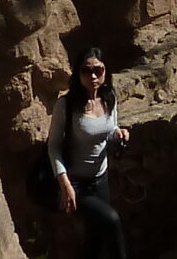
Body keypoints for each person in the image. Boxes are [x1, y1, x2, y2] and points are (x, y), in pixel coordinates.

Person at [47, 47, 133, 259]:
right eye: (86, 71)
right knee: (111, 220)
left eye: (98, 70)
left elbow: (109, 129)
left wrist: (118, 133)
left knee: (96, 237)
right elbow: (54, 145)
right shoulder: (66, 105)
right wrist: (65, 185)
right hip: (76, 183)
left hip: (100, 178)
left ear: (105, 71)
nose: (93, 76)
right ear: (78, 73)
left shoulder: (109, 98)